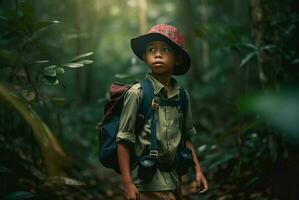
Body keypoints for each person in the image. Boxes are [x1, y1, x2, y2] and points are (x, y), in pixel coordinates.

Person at [117, 24, 208, 200]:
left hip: (174, 180)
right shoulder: (138, 93)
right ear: (144, 57)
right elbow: (123, 140)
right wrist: (127, 183)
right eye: (151, 49)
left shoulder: (181, 95)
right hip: (146, 182)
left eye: (165, 49)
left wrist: (198, 171)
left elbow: (186, 138)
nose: (157, 54)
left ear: (178, 58)